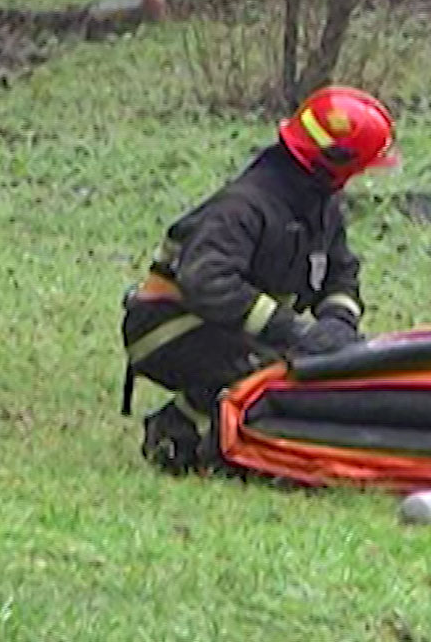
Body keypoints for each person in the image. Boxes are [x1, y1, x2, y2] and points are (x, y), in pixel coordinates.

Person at [121, 85, 399, 475]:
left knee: (314, 369)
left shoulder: (316, 203)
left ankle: (233, 434)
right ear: (335, 162)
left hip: (225, 327)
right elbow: (209, 282)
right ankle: (177, 433)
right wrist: (294, 331)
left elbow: (341, 272)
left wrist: (338, 323)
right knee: (278, 371)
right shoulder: (246, 206)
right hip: (165, 327)